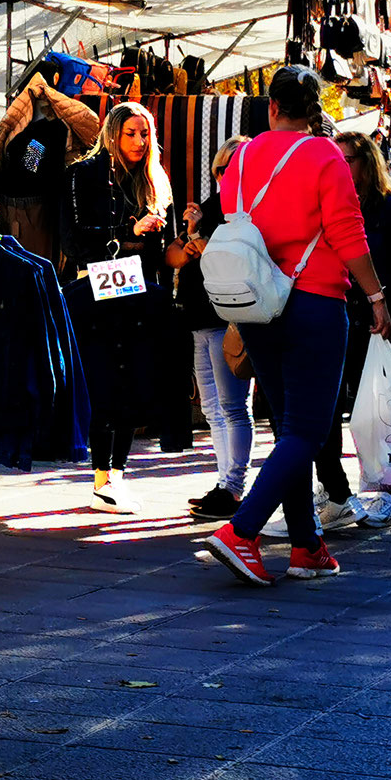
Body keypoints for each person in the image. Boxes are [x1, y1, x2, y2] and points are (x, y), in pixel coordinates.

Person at [200, 66, 391, 586]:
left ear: (271, 108)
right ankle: (242, 531)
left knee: (289, 429)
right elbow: (348, 235)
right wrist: (375, 295)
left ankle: (307, 544)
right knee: (307, 430)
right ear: (313, 111)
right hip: (313, 303)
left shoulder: (239, 158)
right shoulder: (325, 155)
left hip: (258, 304)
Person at [302, 130, 391, 533]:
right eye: (333, 159)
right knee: (325, 410)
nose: (339, 166)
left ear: (367, 162)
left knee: (376, 413)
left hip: (372, 324)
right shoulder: (325, 204)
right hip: (332, 317)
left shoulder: (390, 210)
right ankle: (333, 491)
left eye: (348, 159)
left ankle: (384, 491)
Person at [61, 101, 173, 512]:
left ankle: (117, 476)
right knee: (104, 381)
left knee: (132, 383)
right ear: (112, 134)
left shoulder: (154, 179)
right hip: (98, 290)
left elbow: (160, 250)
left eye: (146, 134)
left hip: (140, 291)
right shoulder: (83, 174)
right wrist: (130, 231)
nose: (141, 142)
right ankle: (100, 477)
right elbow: (74, 242)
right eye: (132, 133)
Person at [169, 141, 252, 524]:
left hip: (226, 315)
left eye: (231, 167)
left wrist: (206, 242)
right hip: (200, 315)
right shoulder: (212, 204)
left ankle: (233, 486)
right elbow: (178, 256)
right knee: (212, 408)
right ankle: (225, 483)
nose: (224, 175)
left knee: (232, 407)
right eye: (220, 168)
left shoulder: (246, 209)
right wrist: (191, 232)